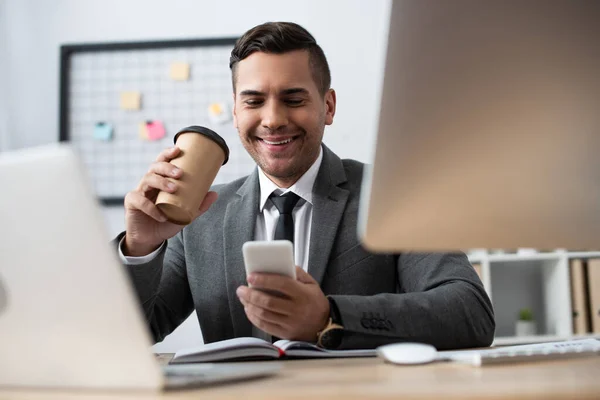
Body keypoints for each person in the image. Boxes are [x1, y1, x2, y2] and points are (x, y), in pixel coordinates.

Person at [117, 21, 495, 350]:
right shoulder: (200, 216)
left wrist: (329, 317)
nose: (272, 120)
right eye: (254, 101)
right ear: (235, 111)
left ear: (328, 107)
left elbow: (469, 313)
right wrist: (141, 246)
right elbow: (130, 333)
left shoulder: (392, 194)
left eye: (293, 99)